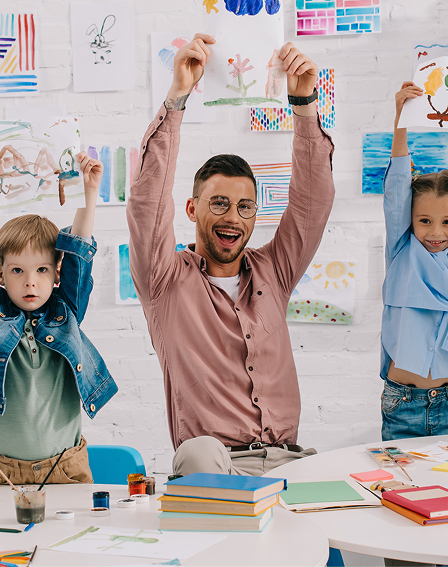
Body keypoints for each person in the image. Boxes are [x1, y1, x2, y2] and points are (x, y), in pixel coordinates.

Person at [127, 33, 335, 477]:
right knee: (200, 454)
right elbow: (148, 202)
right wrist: (178, 97)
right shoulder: (164, 279)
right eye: (218, 203)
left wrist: (304, 105)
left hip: (290, 462)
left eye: (244, 207)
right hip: (217, 467)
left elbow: (313, 203)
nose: (233, 219)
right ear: (192, 208)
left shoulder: (273, 271)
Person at [0, 152, 118, 484]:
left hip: (64, 467)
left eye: (41, 270)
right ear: (1, 274)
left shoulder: (65, 311)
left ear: (56, 273)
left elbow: (78, 250)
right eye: (17, 271)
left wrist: (88, 191)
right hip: (3, 471)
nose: (30, 281)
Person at [380, 82, 448, 441]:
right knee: (400, 493)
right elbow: (395, 189)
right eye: (424, 221)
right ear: (410, 220)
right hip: (402, 402)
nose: (435, 232)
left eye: (447, 222)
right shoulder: (401, 249)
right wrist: (401, 118)